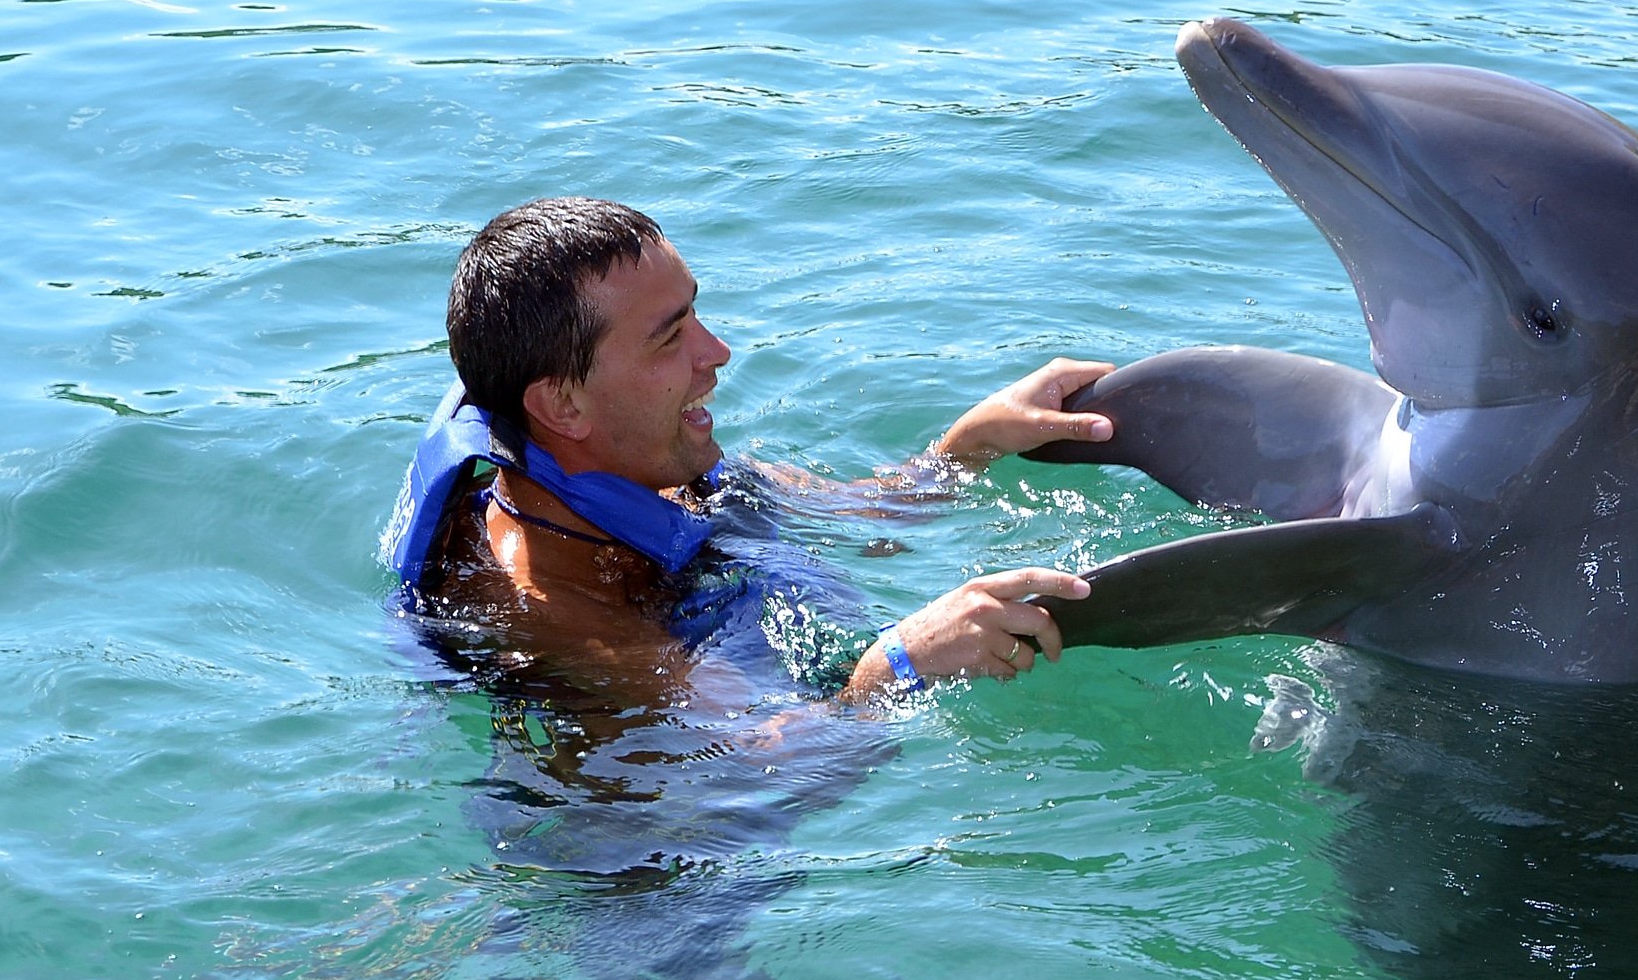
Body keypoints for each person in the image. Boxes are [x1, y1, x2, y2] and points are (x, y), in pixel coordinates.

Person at [414, 195, 1114, 704]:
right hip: (639, 879)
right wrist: (904, 661)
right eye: (669, 337)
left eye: (696, 313)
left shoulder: (656, 469)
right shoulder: (554, 613)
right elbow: (763, 772)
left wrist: (975, 440)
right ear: (562, 404)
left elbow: (867, 517)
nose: (716, 352)